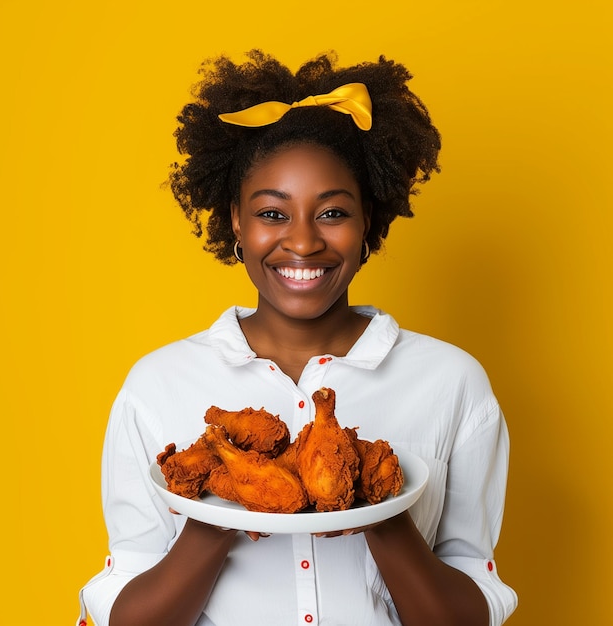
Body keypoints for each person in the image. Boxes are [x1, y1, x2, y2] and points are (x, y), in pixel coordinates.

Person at [77, 49, 518, 626]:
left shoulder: (451, 382)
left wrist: (378, 505)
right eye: (272, 213)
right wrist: (221, 496)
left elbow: (466, 612)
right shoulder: (157, 385)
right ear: (236, 220)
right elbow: (126, 615)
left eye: (332, 213)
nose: (303, 242)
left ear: (369, 225)